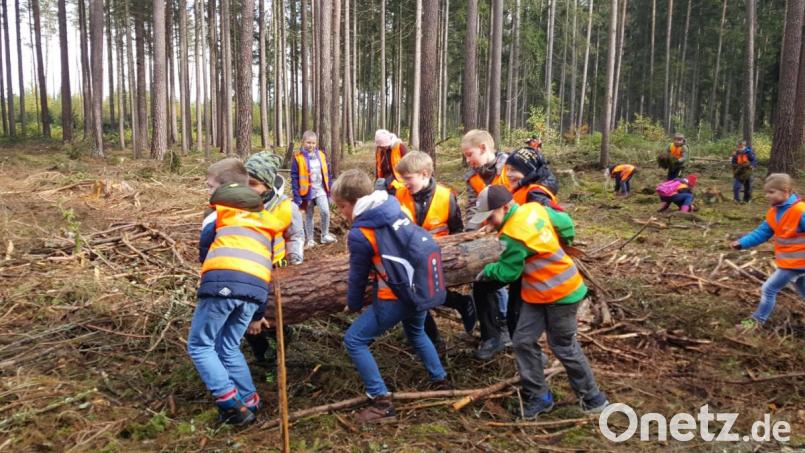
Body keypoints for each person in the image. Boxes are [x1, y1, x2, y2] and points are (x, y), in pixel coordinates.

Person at [471, 185, 608, 419]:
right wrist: (563, 241)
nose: (488, 223)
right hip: (538, 294)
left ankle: (593, 398)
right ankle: (539, 396)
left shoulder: (513, 235)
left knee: (563, 346)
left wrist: (487, 270)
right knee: (523, 341)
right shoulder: (534, 208)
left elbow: (508, 273)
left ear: (505, 207)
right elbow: (564, 222)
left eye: (491, 217)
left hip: (562, 294)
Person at [332, 169, 449, 423]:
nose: (342, 213)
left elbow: (357, 276)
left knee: (354, 340)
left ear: (353, 202)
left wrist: (352, 304)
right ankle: (440, 379)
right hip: (417, 289)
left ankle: (381, 402)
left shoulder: (361, 233)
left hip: (393, 297)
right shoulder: (395, 207)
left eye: (342, 207)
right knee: (416, 333)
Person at [188, 158, 283, 426]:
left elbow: (205, 250)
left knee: (200, 345)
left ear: (224, 188)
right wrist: (259, 311)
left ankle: (231, 405)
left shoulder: (218, 214)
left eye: (210, 187)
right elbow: (268, 267)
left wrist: (211, 280)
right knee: (227, 346)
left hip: (223, 284)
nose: (208, 192)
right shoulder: (264, 220)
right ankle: (250, 399)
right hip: (254, 291)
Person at [394, 151, 477, 350]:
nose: (404, 183)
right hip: (410, 257)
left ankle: (458, 308)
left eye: (408, 178)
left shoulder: (446, 197)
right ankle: (434, 337)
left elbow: (457, 230)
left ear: (424, 174)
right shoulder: (399, 195)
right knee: (414, 295)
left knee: (419, 296)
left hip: (439, 256)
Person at [243, 151, 304, 366]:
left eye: (253, 184)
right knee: (247, 319)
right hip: (246, 271)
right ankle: (262, 357)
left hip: (275, 270)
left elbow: (295, 235)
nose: (247, 188)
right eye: (244, 183)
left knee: (275, 317)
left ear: (267, 185)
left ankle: (281, 346)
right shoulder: (237, 205)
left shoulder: (286, 207)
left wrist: (295, 260)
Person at [730, 174, 805, 332]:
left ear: (786, 191)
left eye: (771, 192)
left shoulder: (800, 211)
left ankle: (755, 324)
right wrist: (742, 243)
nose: (767, 196)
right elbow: (762, 233)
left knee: (768, 289)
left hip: (795, 264)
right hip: (792, 263)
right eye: (766, 192)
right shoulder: (774, 212)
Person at [460, 129, 512, 354]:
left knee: (508, 281)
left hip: (515, 232)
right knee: (484, 279)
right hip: (487, 235)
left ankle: (509, 327)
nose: (468, 160)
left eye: (470, 154)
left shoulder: (511, 168)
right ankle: (493, 331)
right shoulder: (473, 177)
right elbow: (472, 207)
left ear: (483, 148)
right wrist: (472, 235)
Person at [291, 130, 336, 249]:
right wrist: (297, 196)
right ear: (303, 142)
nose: (311, 145)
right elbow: (294, 178)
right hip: (307, 192)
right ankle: (310, 239)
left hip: (320, 190)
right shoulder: (298, 158)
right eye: (308, 142)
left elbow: (328, 173)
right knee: (309, 215)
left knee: (325, 211)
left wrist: (329, 190)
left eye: (313, 143)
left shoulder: (321, 155)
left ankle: (324, 234)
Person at [374, 129, 408, 194]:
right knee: (378, 192)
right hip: (384, 178)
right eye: (380, 147)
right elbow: (377, 166)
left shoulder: (399, 147)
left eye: (383, 146)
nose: (382, 148)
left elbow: (408, 163)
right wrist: (377, 180)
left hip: (398, 178)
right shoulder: (379, 150)